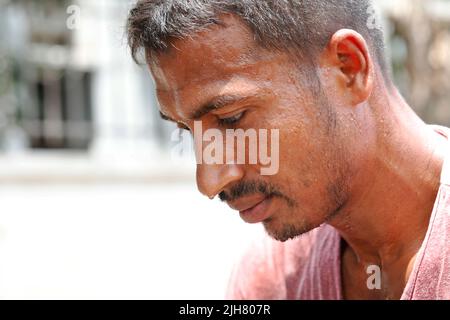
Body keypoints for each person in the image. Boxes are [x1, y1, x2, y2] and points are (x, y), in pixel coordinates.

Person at [126, 0, 450, 299]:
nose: (210, 181)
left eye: (231, 118)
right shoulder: (271, 280)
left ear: (348, 68)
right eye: (187, 131)